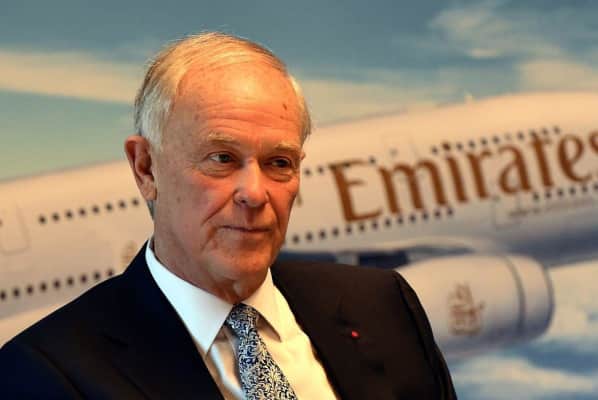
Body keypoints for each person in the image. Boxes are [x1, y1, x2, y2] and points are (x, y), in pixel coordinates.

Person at [0, 32, 456, 399]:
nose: (255, 193)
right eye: (221, 159)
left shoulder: (384, 306)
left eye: (279, 162)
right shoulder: (46, 374)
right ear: (146, 168)